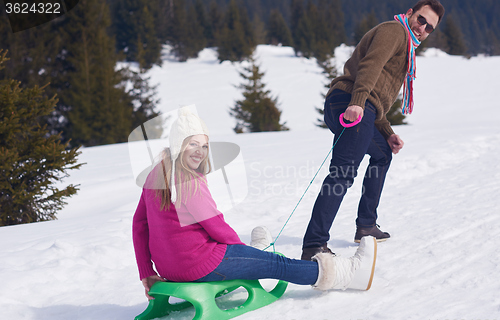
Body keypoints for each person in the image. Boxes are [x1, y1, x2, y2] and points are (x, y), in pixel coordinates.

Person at [132, 107, 378, 299]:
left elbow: (139, 224)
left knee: (255, 259)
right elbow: (215, 226)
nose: (200, 151)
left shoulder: (156, 173)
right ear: (178, 145)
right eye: (193, 144)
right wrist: (243, 252)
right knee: (278, 264)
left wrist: (147, 272)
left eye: (204, 145)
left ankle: (257, 253)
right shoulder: (188, 179)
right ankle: (349, 274)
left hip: (170, 269)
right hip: (199, 265)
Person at [301, 0, 445, 260]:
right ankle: (314, 245)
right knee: (342, 174)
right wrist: (356, 102)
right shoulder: (395, 31)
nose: (423, 28)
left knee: (382, 153)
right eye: (421, 20)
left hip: (358, 104)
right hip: (351, 101)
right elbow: (371, 65)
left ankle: (366, 225)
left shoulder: (407, 47)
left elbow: (376, 99)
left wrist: (387, 132)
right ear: (410, 13)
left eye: (430, 28)